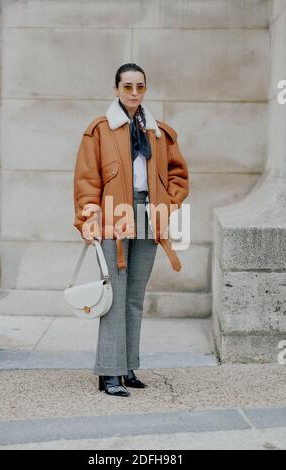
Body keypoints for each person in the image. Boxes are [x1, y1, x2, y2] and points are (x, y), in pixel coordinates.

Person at [73, 63, 189, 396]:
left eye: (140, 87)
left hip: (149, 214)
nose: (134, 93)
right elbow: (86, 179)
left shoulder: (159, 133)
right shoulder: (99, 130)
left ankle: (127, 366)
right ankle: (109, 372)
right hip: (113, 214)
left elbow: (179, 176)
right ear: (116, 90)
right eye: (127, 87)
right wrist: (89, 219)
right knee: (114, 297)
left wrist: (168, 203)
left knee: (135, 296)